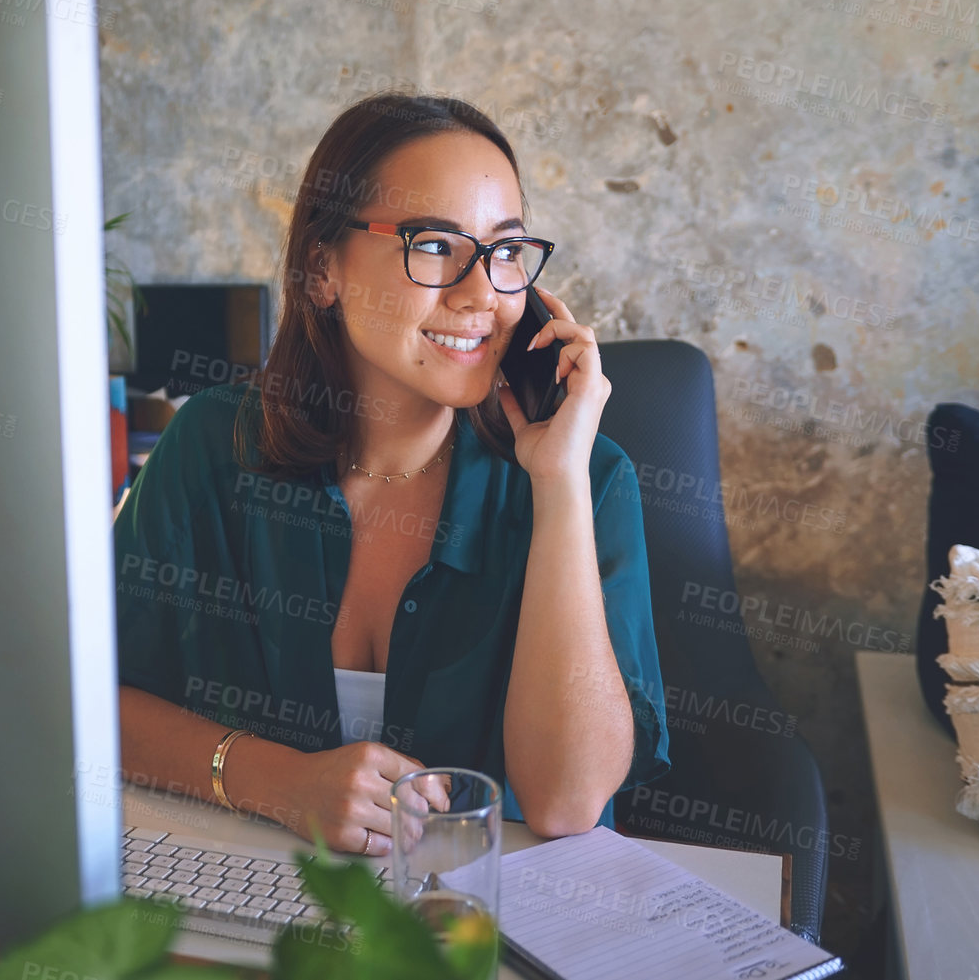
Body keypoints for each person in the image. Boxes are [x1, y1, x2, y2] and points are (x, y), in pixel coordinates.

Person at [111, 93, 668, 856]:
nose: (483, 295)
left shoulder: (586, 476)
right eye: (436, 244)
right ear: (322, 269)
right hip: (271, 915)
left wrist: (559, 484)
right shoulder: (213, 445)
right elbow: (93, 707)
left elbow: (566, 802)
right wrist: (277, 779)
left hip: (488, 929)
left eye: (506, 251)